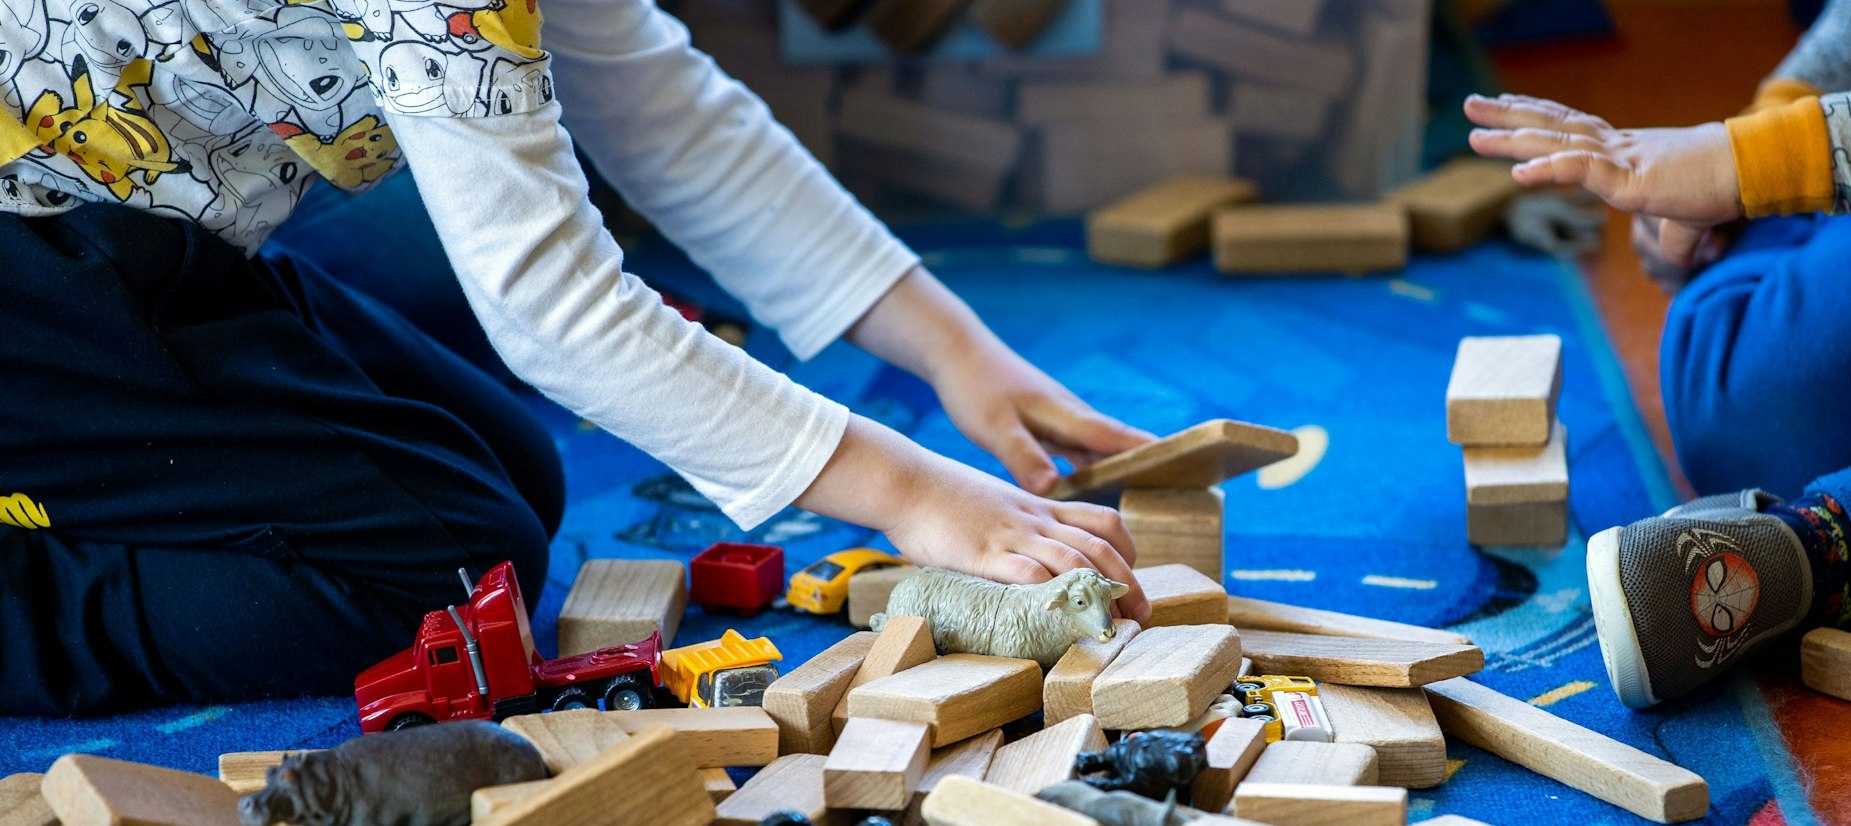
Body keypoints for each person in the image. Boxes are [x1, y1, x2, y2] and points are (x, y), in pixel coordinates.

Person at [0, 0, 1152, 717]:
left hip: (148, 237)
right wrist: (906, 491)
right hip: (39, 272)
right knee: (449, 573)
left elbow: (673, 122)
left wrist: (956, 350)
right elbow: (551, 308)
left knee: (510, 468)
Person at [1462, 0, 1851, 707]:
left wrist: (1746, 163)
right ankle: (1773, 234)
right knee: (1739, 400)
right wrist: (1749, 171)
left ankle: (1827, 548)